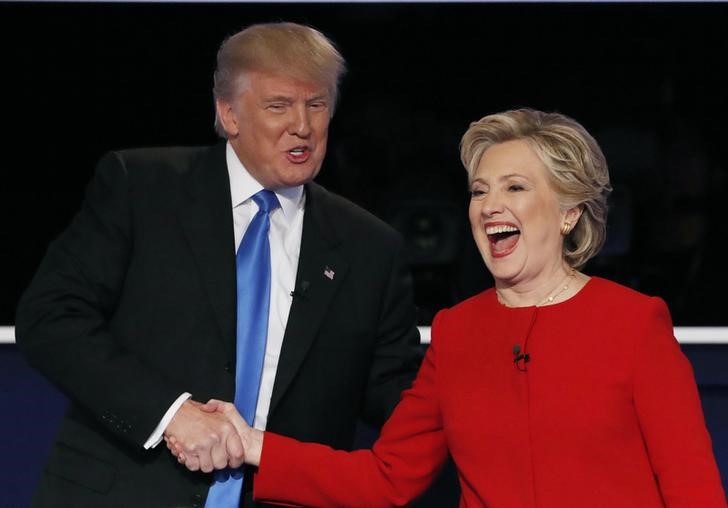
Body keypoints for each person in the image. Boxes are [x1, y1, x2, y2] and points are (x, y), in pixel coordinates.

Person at [175, 108, 728, 507]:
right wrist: (252, 444)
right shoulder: (458, 331)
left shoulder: (634, 323)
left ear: (569, 214)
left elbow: (694, 492)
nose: (490, 207)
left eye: (514, 188)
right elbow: (387, 476)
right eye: (479, 190)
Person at [15, 22, 422, 508]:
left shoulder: (369, 247)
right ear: (228, 113)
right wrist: (172, 414)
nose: (303, 125)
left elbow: (398, 396)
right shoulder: (142, 189)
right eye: (278, 106)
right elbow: (51, 318)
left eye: (316, 104)